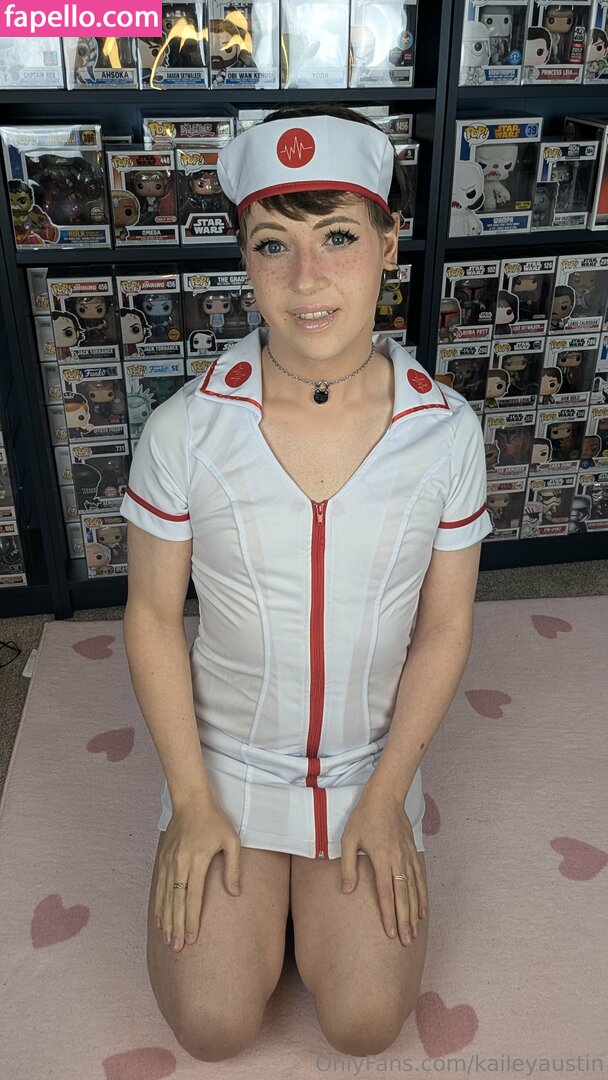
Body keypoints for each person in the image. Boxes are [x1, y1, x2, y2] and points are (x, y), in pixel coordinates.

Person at [121, 103, 493, 1062]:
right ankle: (251, 886)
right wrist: (191, 799)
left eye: (337, 237)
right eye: (272, 245)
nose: (307, 278)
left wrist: (390, 792)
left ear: (388, 240)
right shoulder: (185, 430)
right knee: (212, 1024)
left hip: (369, 767)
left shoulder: (447, 433)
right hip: (226, 767)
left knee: (365, 1023)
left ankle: (312, 896)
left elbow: (445, 628)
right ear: (244, 258)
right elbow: (153, 616)